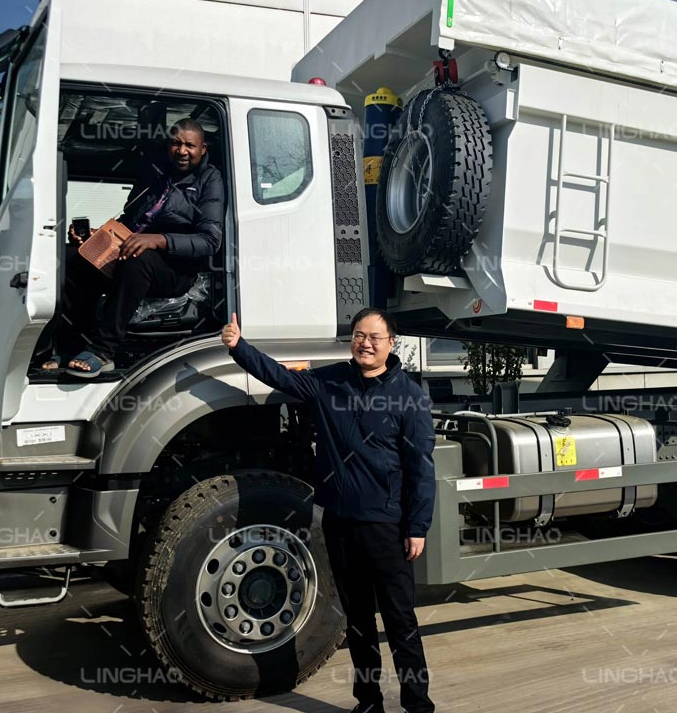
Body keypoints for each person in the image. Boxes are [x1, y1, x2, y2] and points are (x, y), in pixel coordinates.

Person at [221, 308, 436, 713]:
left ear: (392, 344)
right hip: (340, 521)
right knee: (357, 621)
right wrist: (239, 348)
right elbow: (282, 377)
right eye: (358, 335)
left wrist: (417, 526)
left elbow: (421, 468)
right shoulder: (331, 381)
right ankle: (368, 703)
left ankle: (418, 705)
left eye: (374, 337)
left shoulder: (408, 395)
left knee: (400, 622)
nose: (365, 343)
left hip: (387, 526)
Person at [45, 118, 223, 377]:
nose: (182, 151)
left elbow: (210, 241)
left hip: (175, 269)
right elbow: (129, 223)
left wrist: (158, 239)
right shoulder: (156, 175)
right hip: (133, 253)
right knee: (74, 257)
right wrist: (98, 238)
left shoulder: (210, 179)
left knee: (137, 258)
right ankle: (71, 345)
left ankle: (102, 351)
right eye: (176, 143)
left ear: (202, 149)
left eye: (189, 145)